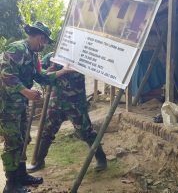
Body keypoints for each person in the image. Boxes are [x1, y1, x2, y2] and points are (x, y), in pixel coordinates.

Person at [0, 22, 72, 193]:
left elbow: (40, 76)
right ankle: (11, 185)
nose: (45, 45)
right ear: (41, 38)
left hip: (19, 104)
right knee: (12, 142)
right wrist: (26, 91)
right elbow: (5, 74)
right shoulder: (17, 48)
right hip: (7, 105)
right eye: (46, 41)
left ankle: (21, 175)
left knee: (23, 139)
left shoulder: (33, 55)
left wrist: (63, 71)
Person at [27, 52, 107, 173]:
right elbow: (40, 74)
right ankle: (39, 161)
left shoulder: (82, 56)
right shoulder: (52, 57)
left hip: (76, 103)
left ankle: (101, 158)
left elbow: (98, 67)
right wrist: (48, 70)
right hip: (56, 103)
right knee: (47, 131)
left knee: (86, 131)